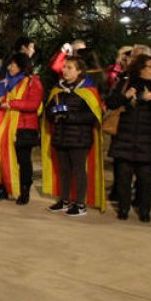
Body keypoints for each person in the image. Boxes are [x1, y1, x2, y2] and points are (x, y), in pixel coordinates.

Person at [105, 54, 151, 222]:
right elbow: (111, 102)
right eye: (149, 66)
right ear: (140, 68)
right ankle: (123, 208)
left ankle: (145, 210)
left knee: (145, 177)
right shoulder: (126, 82)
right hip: (125, 136)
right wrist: (125, 96)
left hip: (147, 138)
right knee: (123, 176)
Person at [41, 57, 103, 218]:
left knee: (79, 170)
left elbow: (93, 116)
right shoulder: (58, 89)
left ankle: (80, 203)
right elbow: (48, 111)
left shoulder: (88, 90)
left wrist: (69, 116)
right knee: (64, 170)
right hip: (61, 136)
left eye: (69, 68)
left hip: (79, 138)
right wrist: (53, 114)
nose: (65, 70)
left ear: (79, 71)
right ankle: (64, 200)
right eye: (64, 67)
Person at [0, 52, 43, 204]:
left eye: (14, 65)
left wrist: (11, 104)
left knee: (23, 160)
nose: (10, 67)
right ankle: (5, 187)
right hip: (4, 127)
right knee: (3, 156)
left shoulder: (32, 82)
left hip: (24, 126)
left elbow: (33, 104)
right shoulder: (4, 82)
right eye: (9, 64)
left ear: (22, 66)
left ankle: (24, 190)